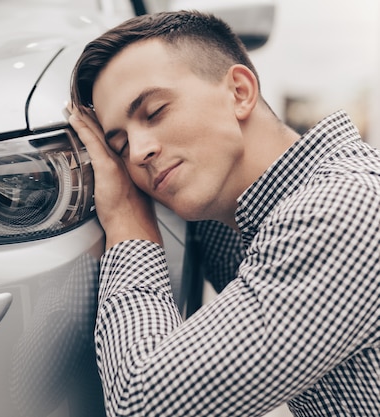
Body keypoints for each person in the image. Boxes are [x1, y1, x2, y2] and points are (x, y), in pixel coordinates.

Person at [67, 10, 380, 417]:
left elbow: (143, 405)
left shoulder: (341, 211)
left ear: (239, 91)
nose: (139, 152)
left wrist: (127, 221)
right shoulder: (266, 211)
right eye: (120, 146)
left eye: (155, 111)